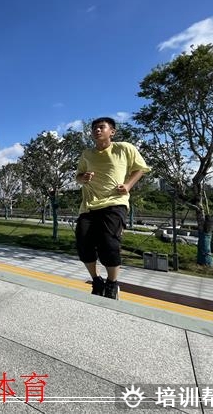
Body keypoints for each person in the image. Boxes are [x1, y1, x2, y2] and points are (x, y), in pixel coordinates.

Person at [75, 117, 150, 299]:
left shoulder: (124, 148)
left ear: (112, 132)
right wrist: (83, 178)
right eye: (94, 128)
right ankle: (96, 280)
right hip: (89, 205)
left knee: (109, 244)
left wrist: (128, 185)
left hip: (115, 203)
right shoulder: (87, 154)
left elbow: (140, 168)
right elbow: (78, 176)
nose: (97, 130)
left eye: (101, 127)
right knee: (83, 243)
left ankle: (112, 283)